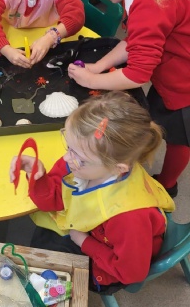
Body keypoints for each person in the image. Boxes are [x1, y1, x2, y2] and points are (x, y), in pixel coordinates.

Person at [10, 91, 175, 294]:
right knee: (42, 240)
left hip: (109, 265)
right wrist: (38, 174)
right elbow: (53, 200)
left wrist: (84, 241)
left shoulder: (128, 218)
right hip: (91, 230)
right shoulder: (84, 162)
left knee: (44, 257)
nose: (66, 158)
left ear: (118, 168)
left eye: (77, 156)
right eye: (68, 147)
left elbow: (131, 273)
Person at [67, 0, 190, 198]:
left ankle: (167, 185)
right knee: (161, 118)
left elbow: (137, 74)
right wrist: (99, 66)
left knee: (180, 138)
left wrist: (92, 79)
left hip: (183, 86)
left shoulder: (152, 3)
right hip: (170, 73)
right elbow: (134, 41)